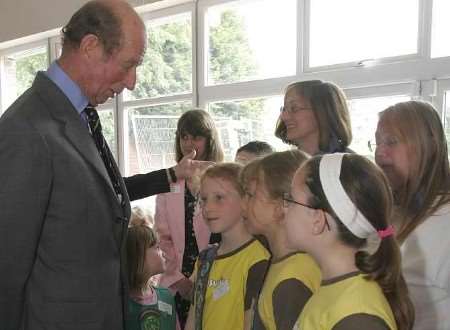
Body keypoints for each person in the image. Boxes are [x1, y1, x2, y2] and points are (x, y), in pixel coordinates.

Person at [0, 1, 207, 329]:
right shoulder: (27, 129)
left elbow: (107, 193)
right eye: (128, 65)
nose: (132, 82)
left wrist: (171, 175)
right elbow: (6, 271)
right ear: (91, 47)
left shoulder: (80, 118)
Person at [285, 153, 415, 330]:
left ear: (317, 220)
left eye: (290, 200)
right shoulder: (338, 290)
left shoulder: (357, 317)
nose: (283, 209)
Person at [374, 100, 450, 329]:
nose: (379, 152)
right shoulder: (385, 213)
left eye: (391, 141)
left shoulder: (445, 218)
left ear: (430, 145)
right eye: (376, 142)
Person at [154, 109, 224, 328]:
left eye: (196, 137)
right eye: (184, 136)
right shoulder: (169, 182)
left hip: (217, 278)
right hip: (177, 282)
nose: (188, 143)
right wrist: (178, 279)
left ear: (209, 140)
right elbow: (162, 238)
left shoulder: (224, 178)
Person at [240, 150, 321, 330]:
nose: (242, 204)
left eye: (251, 195)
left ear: (281, 205)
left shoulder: (291, 282)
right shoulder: (281, 264)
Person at [185, 163, 270, 330]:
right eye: (203, 199)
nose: (208, 208)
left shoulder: (258, 260)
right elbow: (193, 318)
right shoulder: (205, 259)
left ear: (245, 201)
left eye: (219, 197)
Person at [126, 207, 177, 330]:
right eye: (157, 247)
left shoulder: (167, 297)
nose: (163, 252)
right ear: (139, 254)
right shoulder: (119, 303)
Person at [274, 80, 352, 155]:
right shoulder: (285, 164)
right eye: (284, 109)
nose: (283, 116)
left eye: (294, 108)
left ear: (323, 111)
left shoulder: (347, 164)